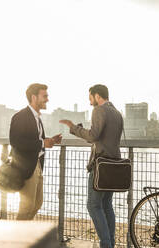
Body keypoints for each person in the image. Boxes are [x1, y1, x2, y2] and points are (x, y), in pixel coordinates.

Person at [60, 84, 123, 248]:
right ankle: (111, 243)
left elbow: (93, 136)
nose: (89, 101)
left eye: (90, 97)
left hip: (101, 166)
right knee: (107, 205)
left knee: (93, 205)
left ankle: (106, 244)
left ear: (97, 96)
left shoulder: (99, 110)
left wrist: (74, 128)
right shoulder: (117, 113)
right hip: (114, 165)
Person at [9, 83, 62, 220]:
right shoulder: (20, 116)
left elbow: (36, 141)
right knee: (27, 206)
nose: (47, 99)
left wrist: (49, 141)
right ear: (34, 97)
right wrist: (42, 143)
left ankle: (23, 233)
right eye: (44, 96)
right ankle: (17, 238)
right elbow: (16, 142)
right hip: (26, 167)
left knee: (37, 204)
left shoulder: (37, 117)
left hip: (37, 165)